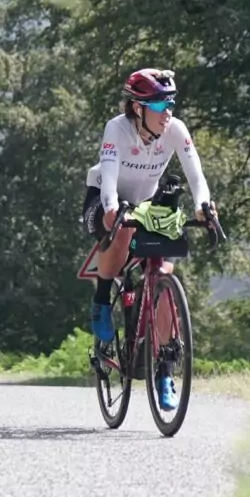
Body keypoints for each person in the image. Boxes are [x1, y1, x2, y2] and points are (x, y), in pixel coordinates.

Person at [81, 67, 217, 411]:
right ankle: (101, 301)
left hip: (147, 203)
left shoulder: (175, 130)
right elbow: (108, 175)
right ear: (137, 108)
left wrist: (203, 205)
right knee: (123, 229)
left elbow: (196, 175)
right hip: (104, 198)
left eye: (170, 104)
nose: (166, 112)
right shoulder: (117, 129)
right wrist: (112, 208)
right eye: (158, 105)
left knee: (165, 273)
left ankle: (165, 370)